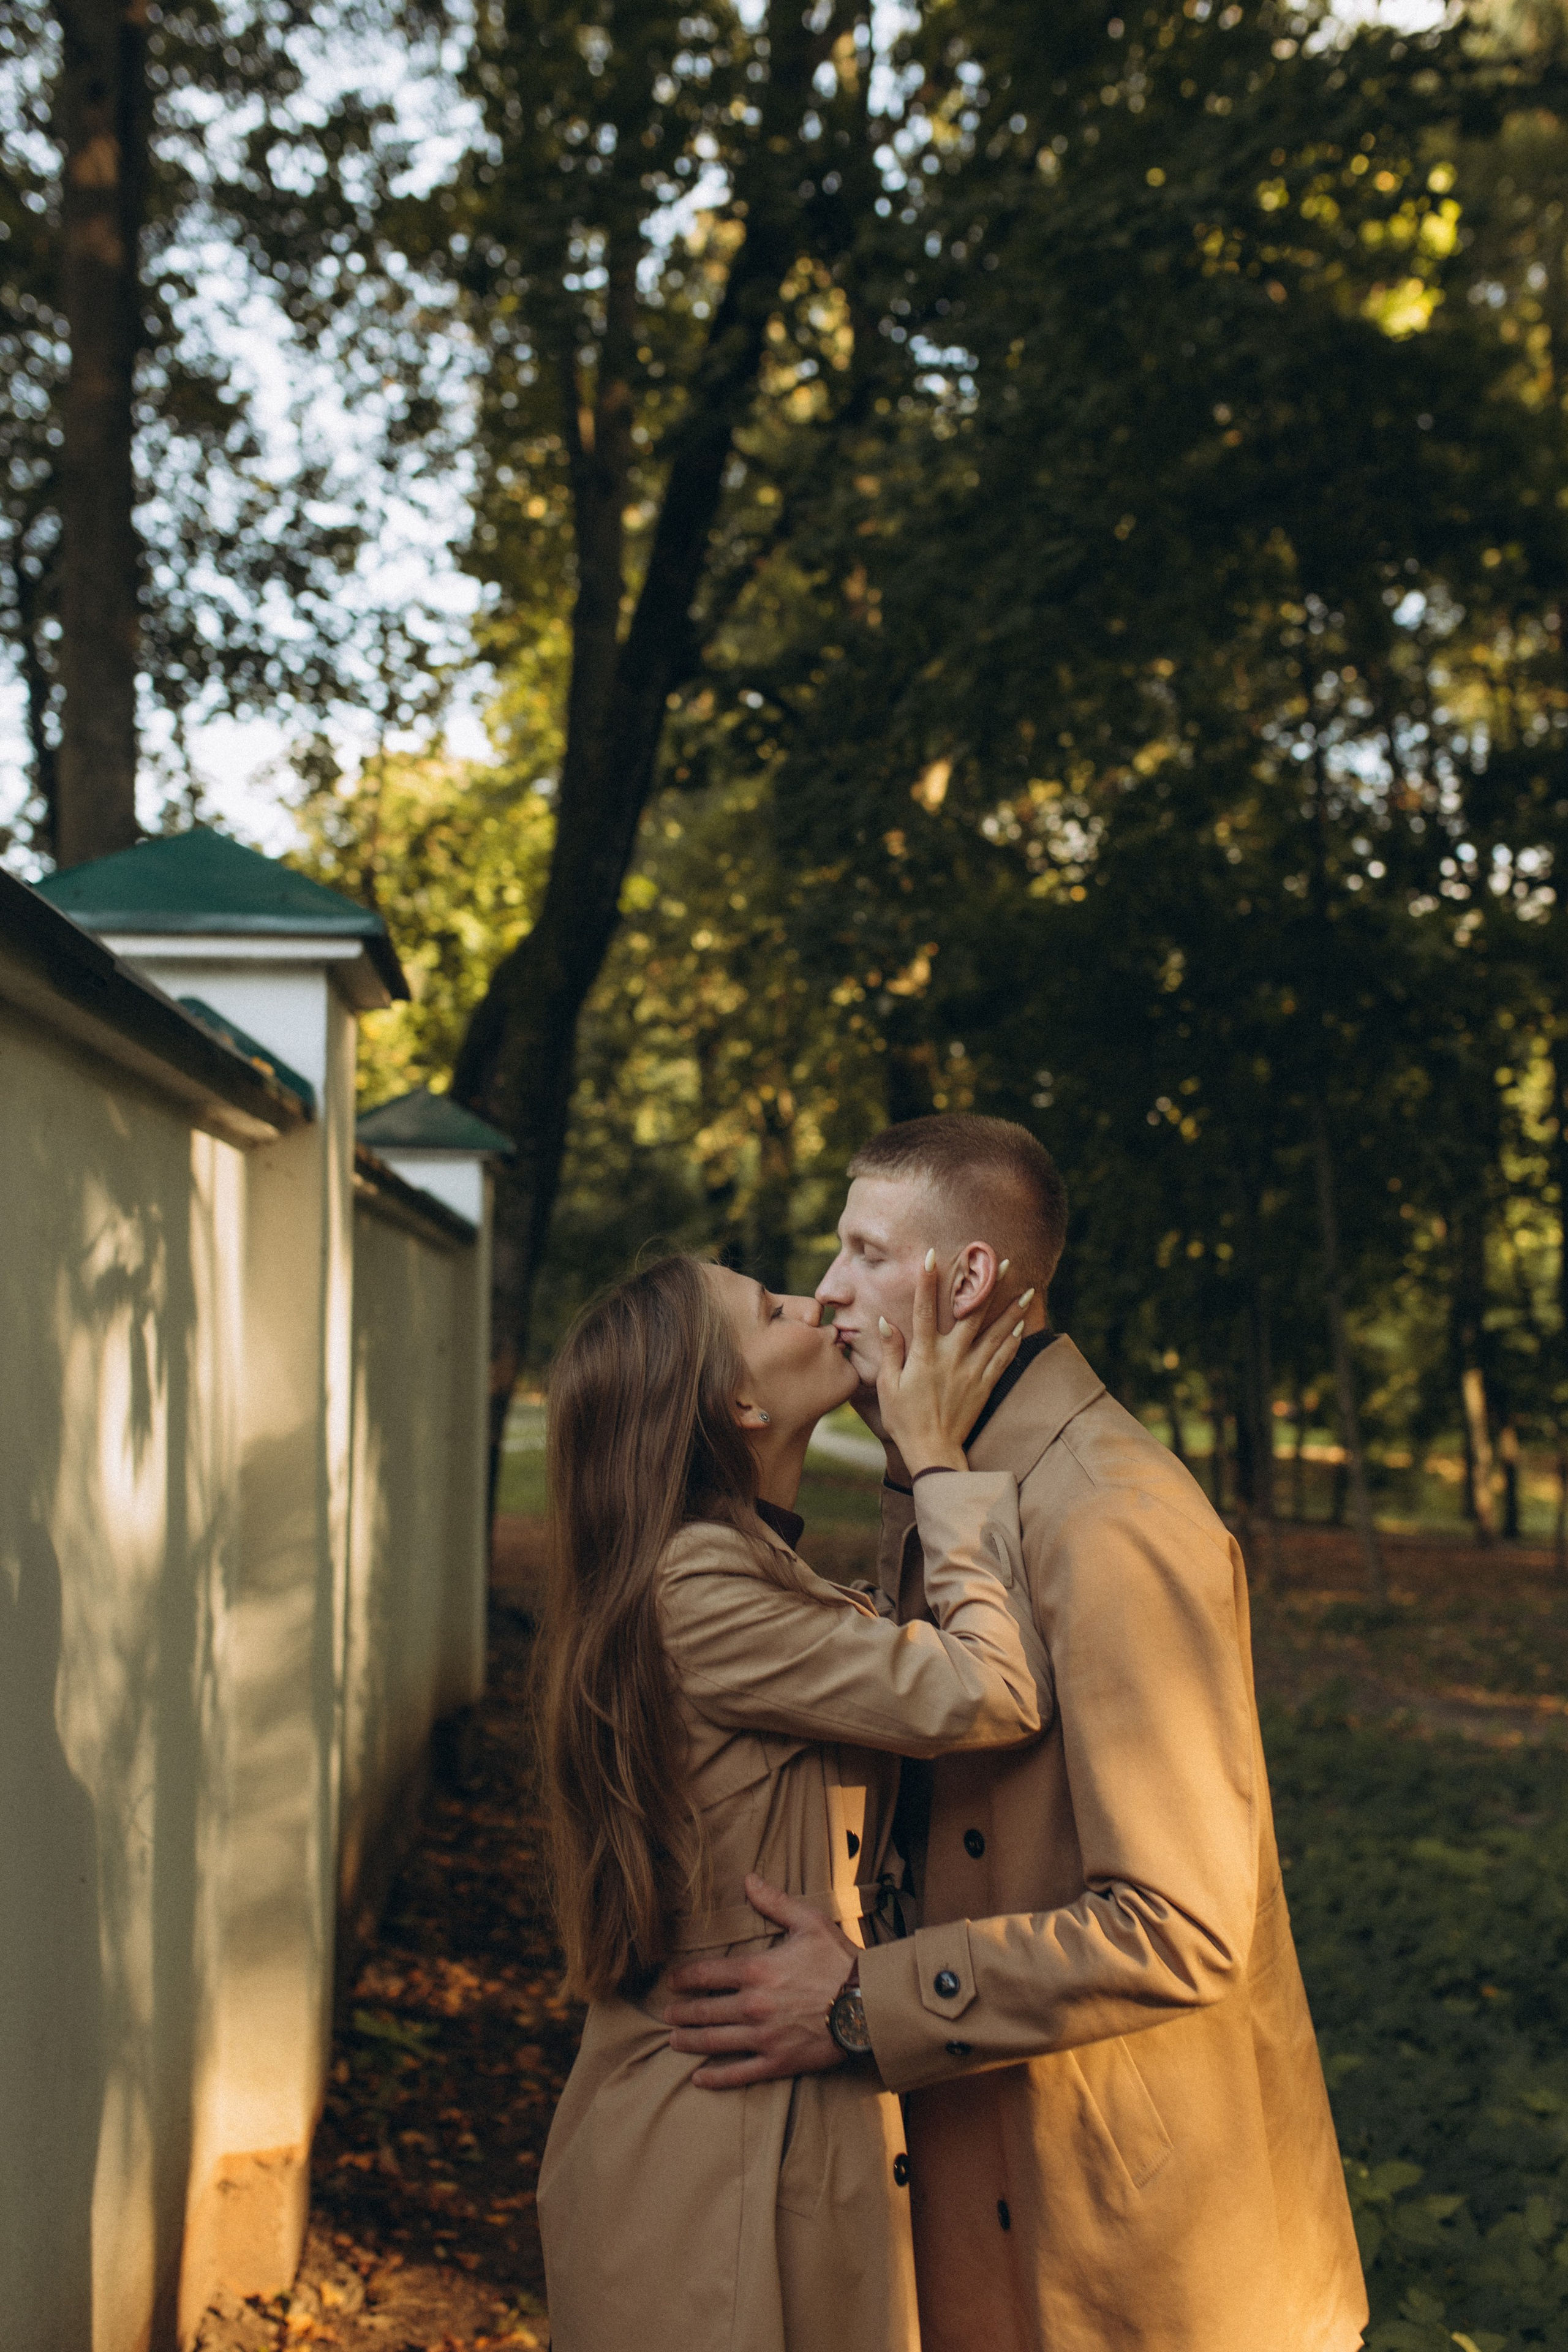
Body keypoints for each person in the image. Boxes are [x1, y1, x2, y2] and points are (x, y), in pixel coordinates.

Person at [666, 1115, 1370, 2352]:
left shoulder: (1109, 1518)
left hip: (1140, 2264)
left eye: (862, 1251)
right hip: (987, 2200)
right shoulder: (955, 1482)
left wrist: (856, 2001)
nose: (828, 1291)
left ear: (969, 1278)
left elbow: (1183, 1926)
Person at [535, 1248, 1047, 2352]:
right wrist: (938, 1455)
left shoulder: (748, 1569)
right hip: (714, 2155)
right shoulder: (700, 1587)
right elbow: (990, 1691)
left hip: (757, 2108)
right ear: (740, 1400)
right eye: (773, 1308)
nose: (816, 1301)